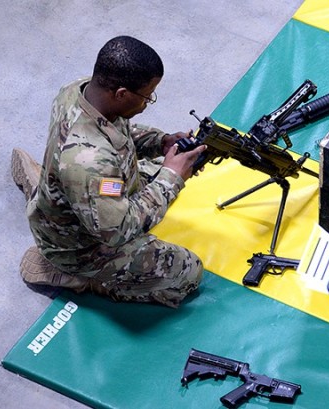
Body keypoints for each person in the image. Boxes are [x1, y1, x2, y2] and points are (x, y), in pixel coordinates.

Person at [11, 35, 208, 308]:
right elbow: (119, 231)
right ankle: (78, 276)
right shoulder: (91, 164)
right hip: (81, 247)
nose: (147, 102)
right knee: (187, 271)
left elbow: (120, 130)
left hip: (79, 187)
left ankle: (49, 184)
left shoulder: (79, 91)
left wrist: (160, 142)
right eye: (147, 97)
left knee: (156, 166)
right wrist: (171, 179)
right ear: (121, 94)